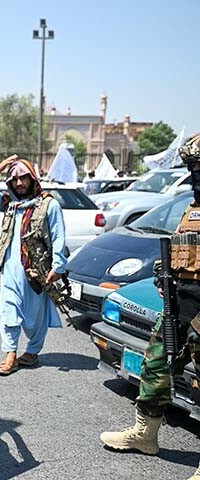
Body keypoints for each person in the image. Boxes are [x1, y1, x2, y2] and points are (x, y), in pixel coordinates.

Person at [100, 133, 200, 480]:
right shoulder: (192, 208)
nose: (196, 176)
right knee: (155, 368)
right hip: (179, 307)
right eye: (192, 169)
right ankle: (146, 435)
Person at [0, 155, 67, 376]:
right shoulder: (10, 205)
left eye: (23, 178)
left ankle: (33, 351)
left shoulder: (49, 205)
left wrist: (59, 266)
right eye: (14, 179)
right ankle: (10, 354)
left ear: (33, 179)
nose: (19, 183)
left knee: (35, 316)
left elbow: (58, 237)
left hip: (35, 271)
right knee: (8, 311)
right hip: (10, 270)